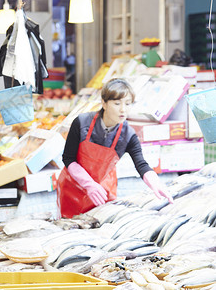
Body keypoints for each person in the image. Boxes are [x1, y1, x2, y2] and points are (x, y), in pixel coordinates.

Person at [57, 78, 173, 218]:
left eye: (128, 103)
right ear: (104, 103)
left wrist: (156, 183)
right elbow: (68, 158)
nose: (123, 109)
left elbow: (141, 164)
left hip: (103, 192)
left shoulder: (128, 135)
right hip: (72, 189)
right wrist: (89, 184)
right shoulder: (81, 123)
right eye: (117, 103)